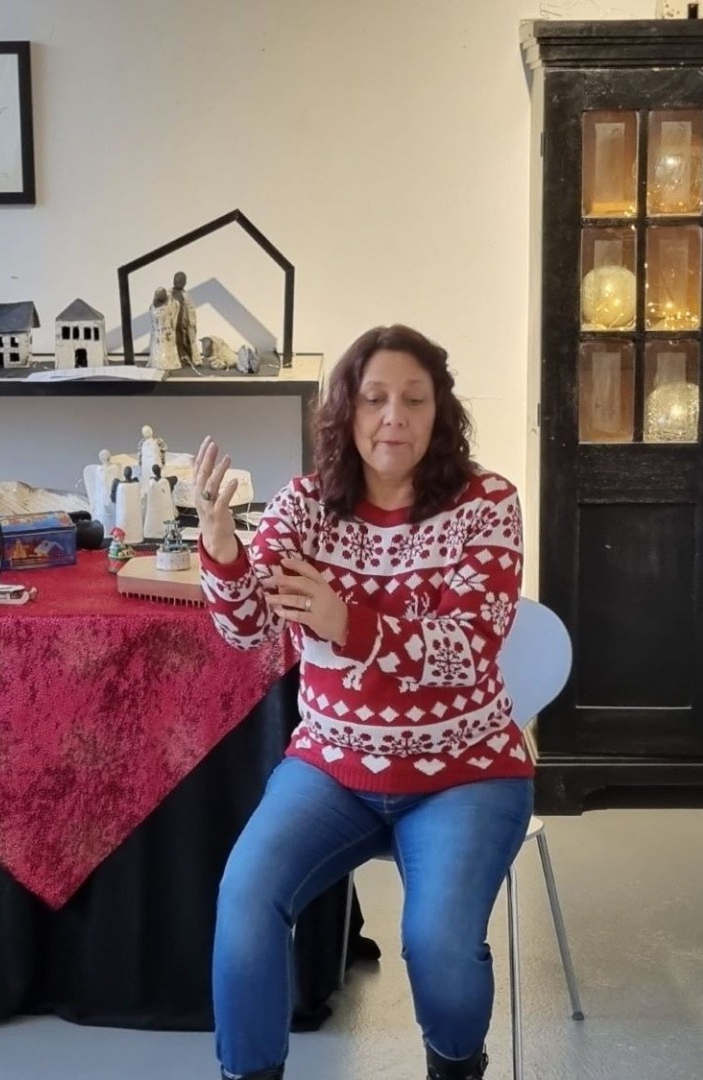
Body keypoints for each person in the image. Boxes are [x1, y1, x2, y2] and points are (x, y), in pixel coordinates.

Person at [193, 324, 534, 1080]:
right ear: (345, 411)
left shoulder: (487, 503)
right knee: (244, 898)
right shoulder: (305, 505)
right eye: (374, 399)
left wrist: (346, 622)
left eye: (414, 400)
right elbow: (247, 628)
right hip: (333, 767)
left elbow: (466, 650)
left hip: (464, 772)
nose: (393, 418)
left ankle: (455, 1066)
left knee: (437, 945)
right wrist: (221, 549)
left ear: (441, 411)